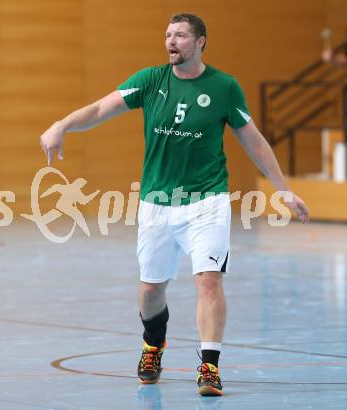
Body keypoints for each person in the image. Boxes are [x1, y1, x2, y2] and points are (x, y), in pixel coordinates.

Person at [40, 13, 309, 396]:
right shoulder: (150, 80)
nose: (171, 41)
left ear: (200, 42)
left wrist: (282, 189)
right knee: (151, 290)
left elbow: (254, 140)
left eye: (181, 35)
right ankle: (153, 346)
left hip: (208, 201)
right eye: (168, 34)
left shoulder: (223, 87)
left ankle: (210, 367)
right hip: (158, 203)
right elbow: (101, 109)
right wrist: (62, 124)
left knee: (209, 282)